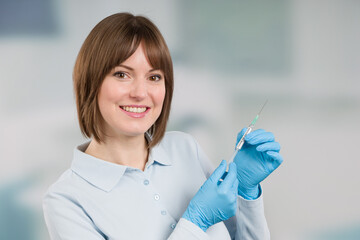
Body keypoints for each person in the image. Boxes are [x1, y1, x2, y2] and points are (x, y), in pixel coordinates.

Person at [43, 12, 283, 240]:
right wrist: (196, 222)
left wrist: (246, 192)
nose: (140, 93)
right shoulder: (66, 199)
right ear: (90, 81)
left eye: (154, 77)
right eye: (122, 74)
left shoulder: (185, 148)